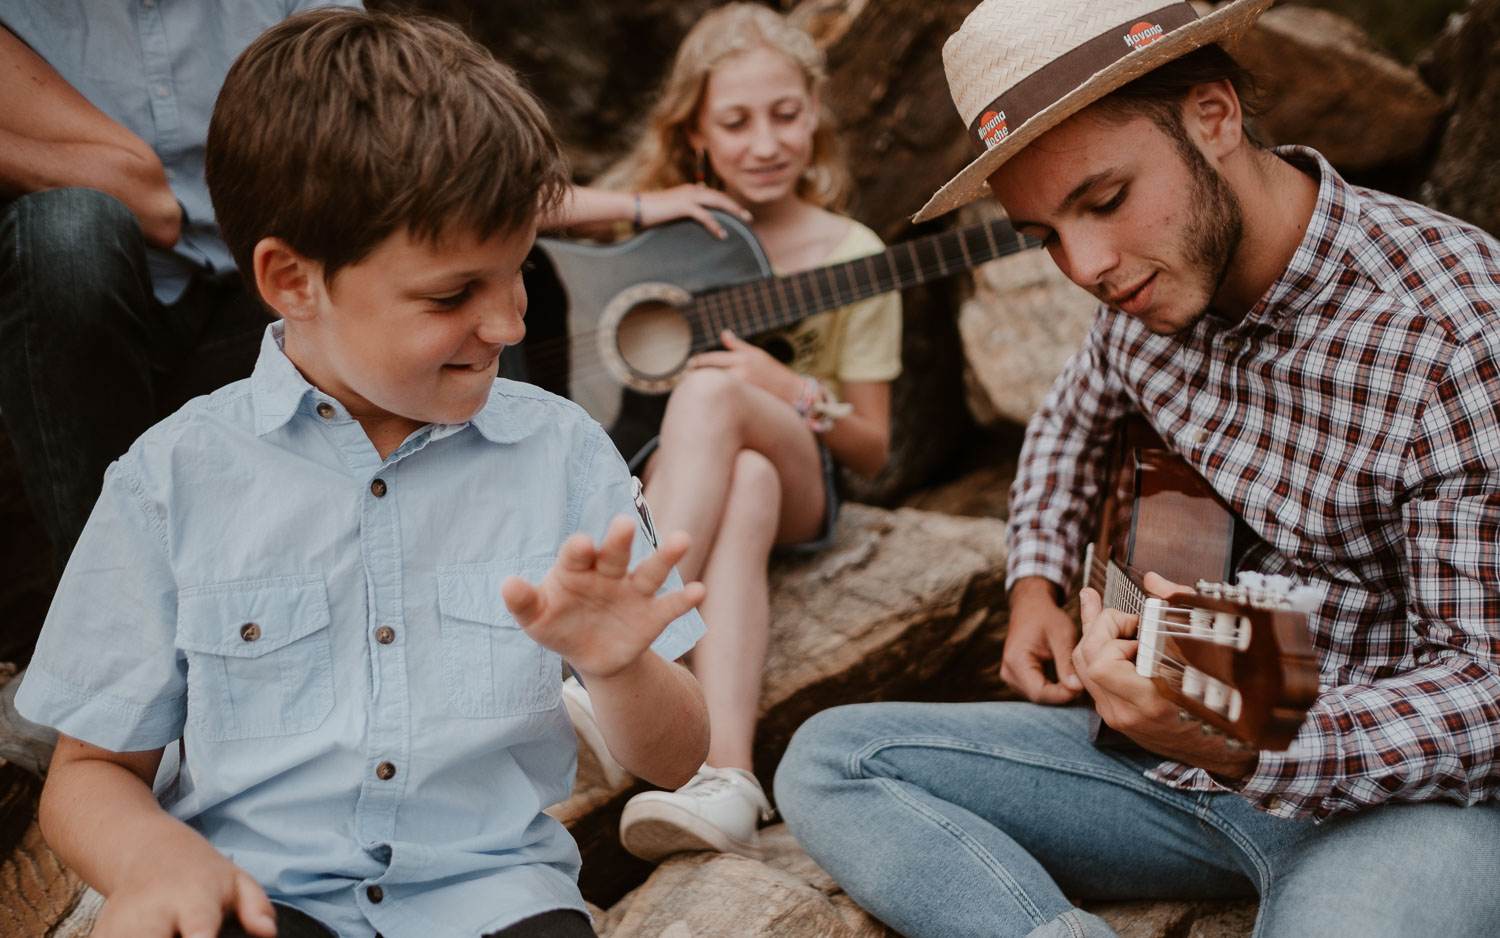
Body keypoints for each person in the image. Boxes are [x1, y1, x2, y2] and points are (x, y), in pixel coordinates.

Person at [773, 1, 1500, 937]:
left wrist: (1245, 742)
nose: (1087, 267)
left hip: (1406, 799)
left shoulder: (1456, 335)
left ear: (1214, 117)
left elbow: (1488, 690)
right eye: (1044, 235)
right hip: (1172, 762)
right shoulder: (1145, 289)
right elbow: (1067, 424)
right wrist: (1034, 575)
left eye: (1103, 200)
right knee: (832, 759)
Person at [15, 10, 711, 938]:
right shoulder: (168, 479)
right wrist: (155, 862)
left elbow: (676, 758)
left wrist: (620, 668)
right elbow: (91, 771)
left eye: (517, 275)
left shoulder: (563, 452)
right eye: (453, 294)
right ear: (293, 281)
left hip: (492, 901)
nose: (508, 323)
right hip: (263, 896)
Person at [568, 2, 902, 864]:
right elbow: (503, 204)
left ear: (817, 116)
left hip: (808, 481)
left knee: (719, 400)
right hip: (728, 484)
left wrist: (791, 389)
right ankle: (726, 781)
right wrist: (641, 204)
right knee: (742, 482)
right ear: (695, 131)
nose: (765, 143)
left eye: (786, 115)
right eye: (736, 121)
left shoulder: (851, 250)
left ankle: (624, 644)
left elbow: (871, 447)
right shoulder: (674, 231)